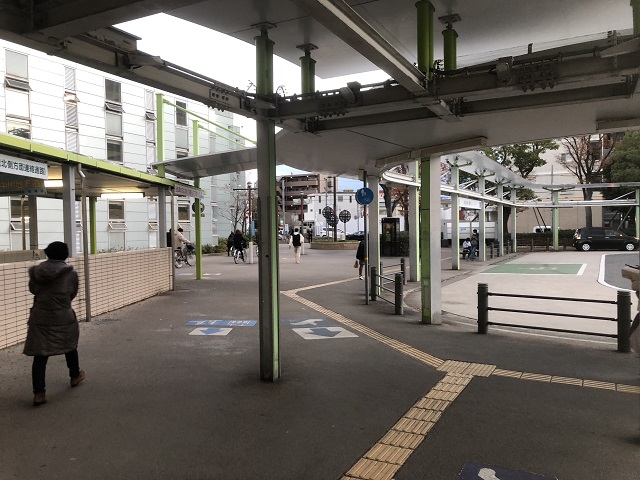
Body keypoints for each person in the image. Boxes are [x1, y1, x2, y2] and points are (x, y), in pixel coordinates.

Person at [23, 241, 85, 407]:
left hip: (40, 316)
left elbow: (33, 290)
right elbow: (72, 293)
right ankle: (75, 375)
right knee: (70, 346)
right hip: (62, 316)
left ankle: (39, 393)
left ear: (48, 253)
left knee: (40, 353)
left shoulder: (37, 272)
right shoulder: (70, 274)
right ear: (65, 254)